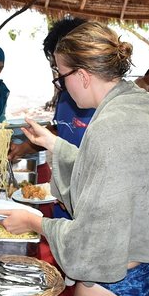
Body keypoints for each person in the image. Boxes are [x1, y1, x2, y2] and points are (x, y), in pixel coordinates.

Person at [0, 22, 149, 296]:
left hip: (112, 281)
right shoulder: (146, 104)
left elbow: (92, 239)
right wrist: (53, 143)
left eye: (60, 76)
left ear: (81, 75)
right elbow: (110, 172)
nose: (62, 86)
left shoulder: (108, 126)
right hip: (147, 264)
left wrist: (35, 223)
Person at [8, 16, 95, 219]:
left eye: (60, 67)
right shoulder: (66, 97)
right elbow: (61, 131)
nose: (57, 75)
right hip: (62, 208)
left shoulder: (108, 110)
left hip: (88, 214)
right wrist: (24, 147)